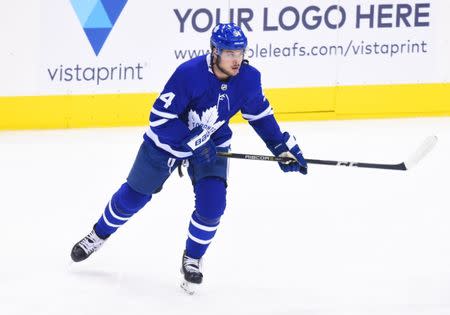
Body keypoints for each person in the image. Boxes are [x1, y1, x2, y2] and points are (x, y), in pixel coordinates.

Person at [70, 23, 307, 294]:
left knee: (213, 206)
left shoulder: (249, 78)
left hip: (214, 144)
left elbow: (260, 115)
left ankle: (192, 259)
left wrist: (281, 146)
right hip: (166, 143)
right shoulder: (189, 74)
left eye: (240, 52)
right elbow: (159, 119)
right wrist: (194, 140)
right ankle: (98, 235)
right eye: (230, 53)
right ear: (215, 51)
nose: (237, 59)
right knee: (133, 197)